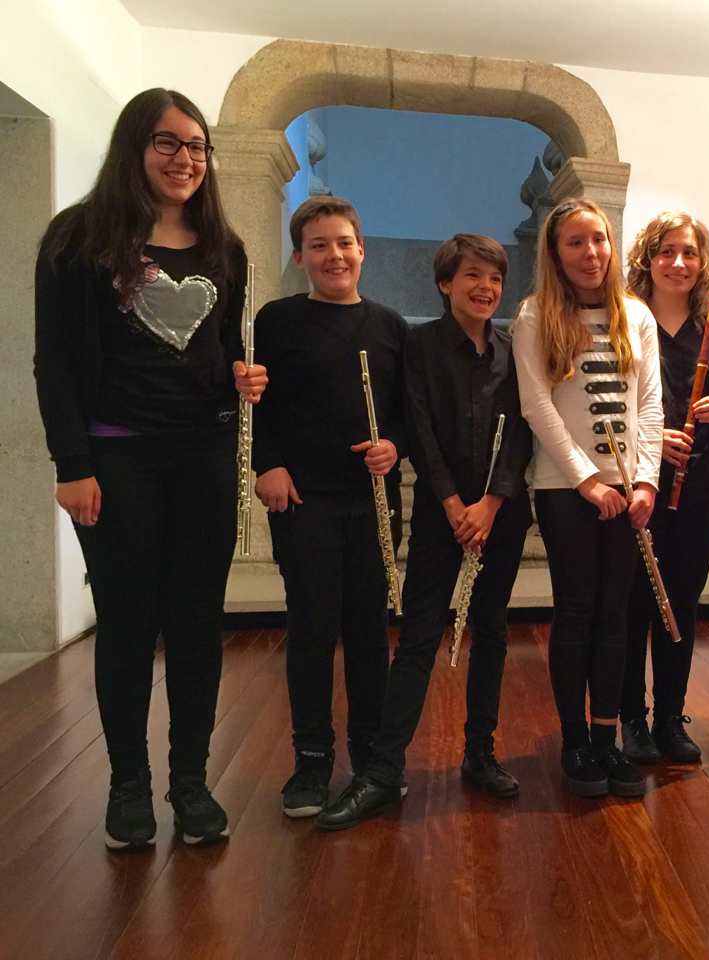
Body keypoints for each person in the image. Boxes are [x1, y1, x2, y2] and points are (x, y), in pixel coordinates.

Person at [34, 88, 251, 849]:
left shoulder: (224, 247)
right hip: (116, 454)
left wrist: (239, 377)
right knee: (127, 624)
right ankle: (128, 788)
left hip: (203, 453)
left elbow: (219, 349)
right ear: (135, 145)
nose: (186, 159)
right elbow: (54, 362)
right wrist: (72, 464)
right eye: (169, 142)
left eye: (197, 147)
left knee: (197, 624)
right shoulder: (77, 238)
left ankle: (189, 783)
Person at [317, 234, 534, 830]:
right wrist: (453, 503)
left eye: (494, 278)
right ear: (445, 284)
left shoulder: (516, 350)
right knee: (417, 637)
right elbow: (418, 426)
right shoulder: (418, 345)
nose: (485, 287)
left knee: (490, 631)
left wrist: (489, 503)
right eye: (472, 276)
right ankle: (384, 772)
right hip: (444, 515)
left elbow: (522, 432)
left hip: (500, 513)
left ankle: (480, 754)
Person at [251, 196, 407, 818]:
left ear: (362, 249)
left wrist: (395, 445)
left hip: (372, 501)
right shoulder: (277, 320)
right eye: (319, 245)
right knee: (313, 628)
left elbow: (405, 415)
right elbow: (252, 403)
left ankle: (369, 752)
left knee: (370, 630)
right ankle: (312, 761)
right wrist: (267, 464)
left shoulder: (391, 326)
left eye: (344, 242)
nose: (334, 255)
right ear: (300, 256)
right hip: (302, 499)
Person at [511, 198, 664, 798]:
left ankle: (607, 739)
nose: (591, 253)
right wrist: (587, 481)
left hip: (630, 490)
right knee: (577, 610)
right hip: (565, 489)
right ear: (555, 252)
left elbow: (650, 403)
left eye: (598, 239)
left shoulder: (636, 315)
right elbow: (537, 407)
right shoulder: (533, 315)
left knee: (616, 614)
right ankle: (575, 741)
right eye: (575, 242)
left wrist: (645, 480)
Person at [618, 212, 709, 766]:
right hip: (641, 483)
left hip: (700, 485)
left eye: (689, 253)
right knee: (634, 603)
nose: (679, 263)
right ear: (648, 259)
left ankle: (671, 716)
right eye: (667, 252)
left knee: (681, 604)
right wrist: (649, 438)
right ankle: (631, 720)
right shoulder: (624, 324)